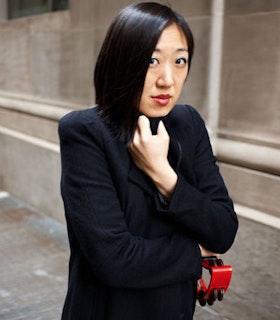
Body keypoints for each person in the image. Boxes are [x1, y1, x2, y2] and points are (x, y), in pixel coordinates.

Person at [58, 2, 238, 319]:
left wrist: (163, 176)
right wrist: (195, 252)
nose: (168, 79)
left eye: (180, 61)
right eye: (152, 60)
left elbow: (222, 230)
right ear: (122, 61)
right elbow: (114, 259)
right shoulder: (86, 132)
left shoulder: (187, 123)